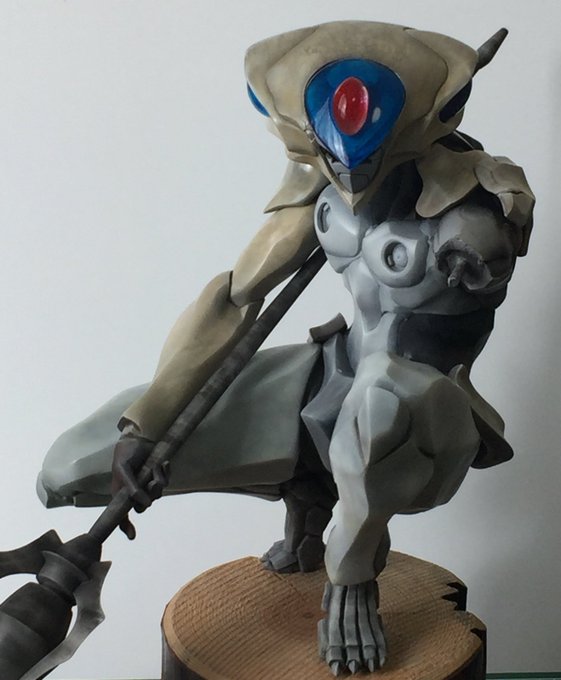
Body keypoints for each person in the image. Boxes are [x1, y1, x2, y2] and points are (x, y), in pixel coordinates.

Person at [38, 22, 534, 675]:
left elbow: (477, 280)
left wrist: (485, 240)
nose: (349, 172)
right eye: (331, 158)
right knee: (76, 462)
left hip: (428, 414)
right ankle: (308, 516)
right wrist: (147, 424)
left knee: (378, 404)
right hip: (340, 370)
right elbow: (234, 299)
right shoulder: (317, 185)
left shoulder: (477, 204)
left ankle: (351, 579)